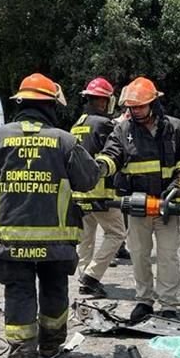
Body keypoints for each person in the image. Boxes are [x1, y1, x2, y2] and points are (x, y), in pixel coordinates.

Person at [0, 73, 100, 358]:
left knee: (19, 294)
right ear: (50, 106)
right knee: (54, 291)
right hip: (56, 239)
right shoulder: (65, 140)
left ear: (20, 103)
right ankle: (50, 347)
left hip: (12, 238)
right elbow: (88, 180)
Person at [96, 77, 180, 323]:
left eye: (140, 106)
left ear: (154, 103)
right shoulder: (123, 130)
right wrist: (100, 167)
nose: (136, 111)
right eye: (132, 107)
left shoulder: (176, 128)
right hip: (138, 205)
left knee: (167, 256)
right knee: (139, 255)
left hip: (167, 206)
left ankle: (168, 304)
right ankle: (144, 301)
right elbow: (113, 155)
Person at [70, 77, 125, 299]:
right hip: (101, 191)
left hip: (79, 192)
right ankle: (92, 276)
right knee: (117, 233)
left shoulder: (78, 123)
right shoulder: (103, 124)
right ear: (104, 101)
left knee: (86, 237)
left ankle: (84, 277)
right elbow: (111, 154)